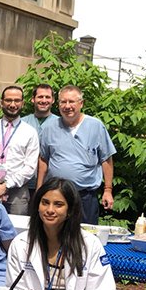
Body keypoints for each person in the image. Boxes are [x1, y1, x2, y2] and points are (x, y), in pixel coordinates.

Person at [38, 85, 116, 225]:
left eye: (71, 102)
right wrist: (39, 190)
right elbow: (43, 160)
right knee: (55, 233)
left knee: (85, 234)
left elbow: (106, 159)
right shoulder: (49, 128)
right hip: (56, 195)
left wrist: (108, 190)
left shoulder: (96, 126)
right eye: (63, 102)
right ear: (58, 104)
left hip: (85, 196)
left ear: (81, 103)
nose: (67, 106)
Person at [0, 85, 39, 214]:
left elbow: (30, 166)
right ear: (2, 102)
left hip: (17, 193)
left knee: (16, 225)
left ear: (22, 103)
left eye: (17, 100)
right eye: (8, 100)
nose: (12, 104)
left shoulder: (30, 132)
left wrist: (6, 185)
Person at [21, 84, 59, 198]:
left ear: (53, 100)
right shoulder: (22, 123)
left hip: (50, 184)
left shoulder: (60, 124)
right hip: (23, 183)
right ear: (33, 99)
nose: (44, 100)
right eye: (40, 97)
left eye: (47, 97)